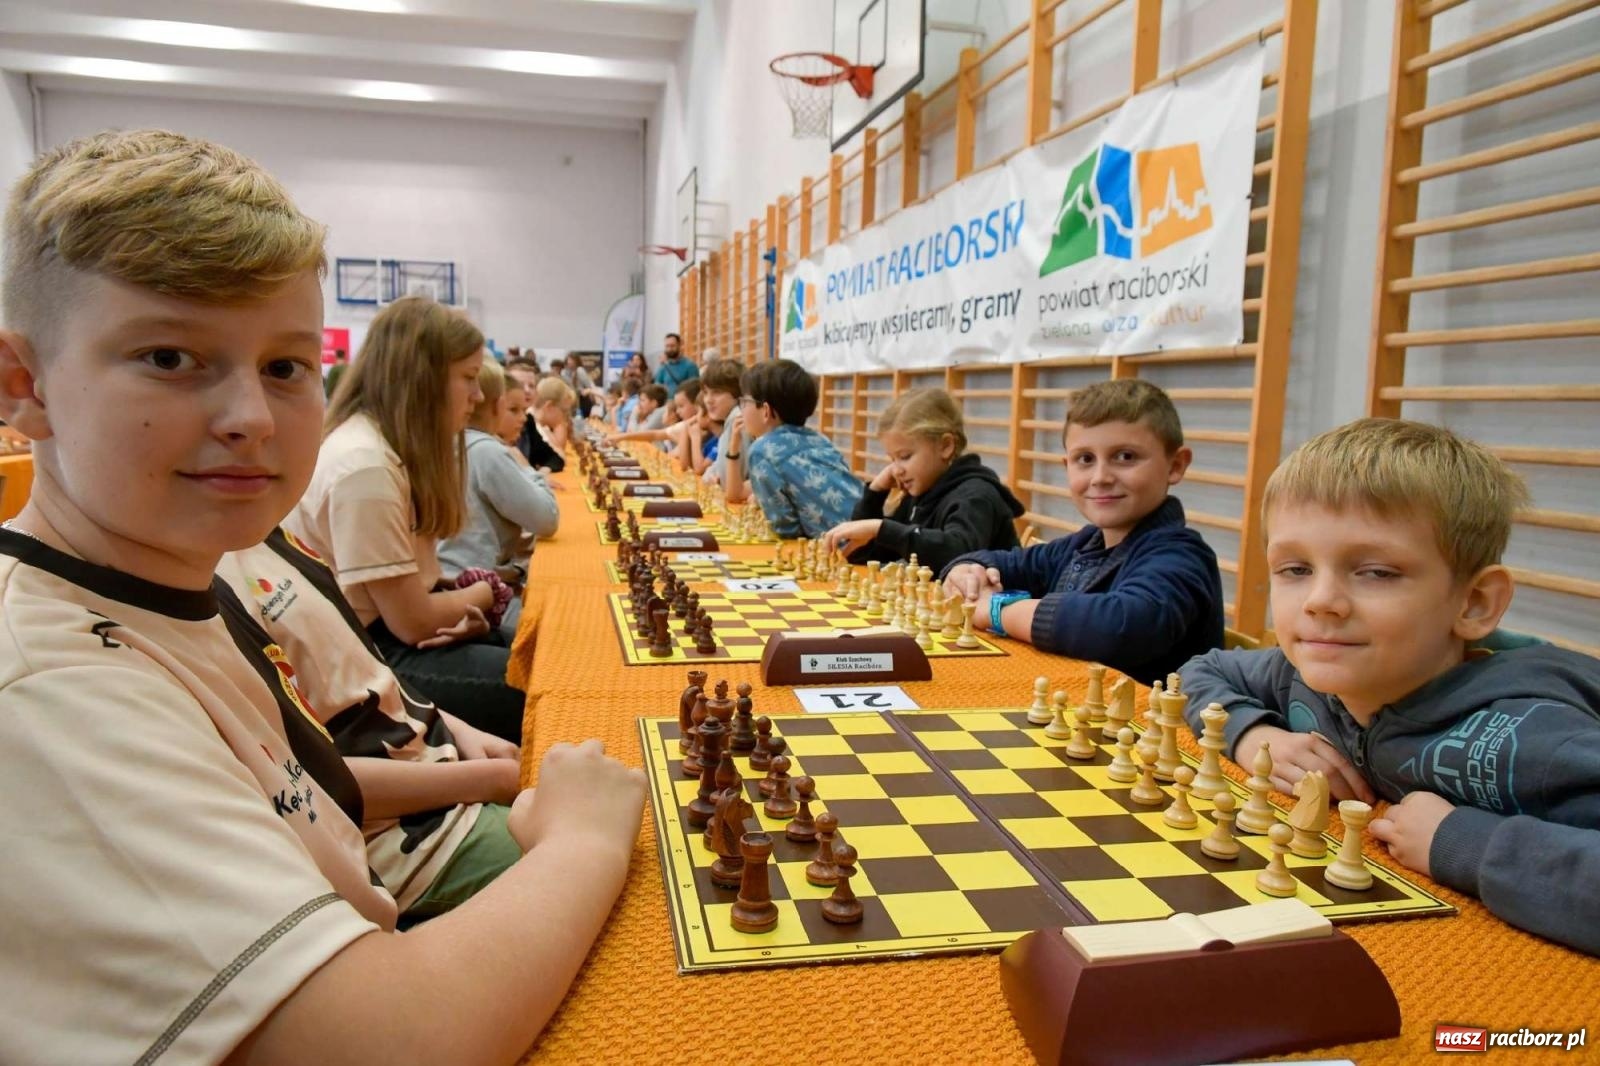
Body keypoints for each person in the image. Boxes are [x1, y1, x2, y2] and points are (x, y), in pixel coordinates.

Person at [0, 127, 644, 1064]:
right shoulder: (51, 691)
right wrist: (582, 838)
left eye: (285, 367)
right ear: (23, 385)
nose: (251, 419)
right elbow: (390, 1043)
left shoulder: (175, 574)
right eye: (170, 358)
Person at [1178, 418, 1600, 957]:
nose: (1320, 601)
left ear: (1474, 603)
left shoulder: (1535, 737)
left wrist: (1464, 843)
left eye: (1376, 572)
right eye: (1296, 569)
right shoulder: (1302, 670)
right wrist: (1253, 734)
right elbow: (1199, 672)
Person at [220, 527, 524, 925]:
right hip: (408, 844)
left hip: (438, 767)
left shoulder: (268, 536)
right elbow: (308, 784)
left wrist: (463, 732)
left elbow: (370, 674)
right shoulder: (213, 585)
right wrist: (489, 779)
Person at [286, 296, 528, 744]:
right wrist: (486, 592)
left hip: (386, 637)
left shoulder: (383, 451)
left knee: (531, 649)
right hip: (365, 660)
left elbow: (416, 601)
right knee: (537, 680)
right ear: (424, 379)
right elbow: (412, 622)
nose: (478, 397)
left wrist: (467, 609)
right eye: (469, 378)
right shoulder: (365, 466)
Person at [940, 378, 1222, 685]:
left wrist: (997, 612)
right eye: (1085, 459)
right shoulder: (1084, 543)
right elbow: (1005, 561)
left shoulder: (1182, 555)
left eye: (1125, 457)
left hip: (1139, 714)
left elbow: (1121, 626)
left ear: (1175, 465)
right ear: (1067, 466)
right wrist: (966, 570)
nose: (1101, 477)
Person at [824, 387, 1023, 574]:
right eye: (892, 459)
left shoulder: (977, 495)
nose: (896, 470)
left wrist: (881, 529)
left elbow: (959, 554)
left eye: (905, 456)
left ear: (945, 446)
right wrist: (875, 493)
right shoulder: (921, 493)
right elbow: (863, 555)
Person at [438, 359, 558, 636]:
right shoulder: (487, 451)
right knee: (551, 628)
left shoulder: (450, 443)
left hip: (454, 582)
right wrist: (530, 470)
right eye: (513, 409)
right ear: (497, 405)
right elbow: (547, 518)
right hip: (474, 591)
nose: (522, 417)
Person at [740, 358, 861, 538]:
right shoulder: (819, 438)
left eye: (744, 402)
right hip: (869, 528)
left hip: (844, 546)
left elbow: (785, 529)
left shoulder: (762, 450)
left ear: (765, 410)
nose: (741, 409)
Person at [699, 358, 747, 493]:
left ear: (737, 393)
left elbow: (728, 481)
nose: (708, 400)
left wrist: (716, 478)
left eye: (717, 392)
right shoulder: (731, 418)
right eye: (705, 392)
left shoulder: (737, 419)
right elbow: (715, 470)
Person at [519, 376, 575, 473]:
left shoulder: (541, 425)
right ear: (549, 406)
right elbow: (560, 454)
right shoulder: (532, 424)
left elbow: (557, 457)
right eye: (564, 411)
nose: (565, 416)